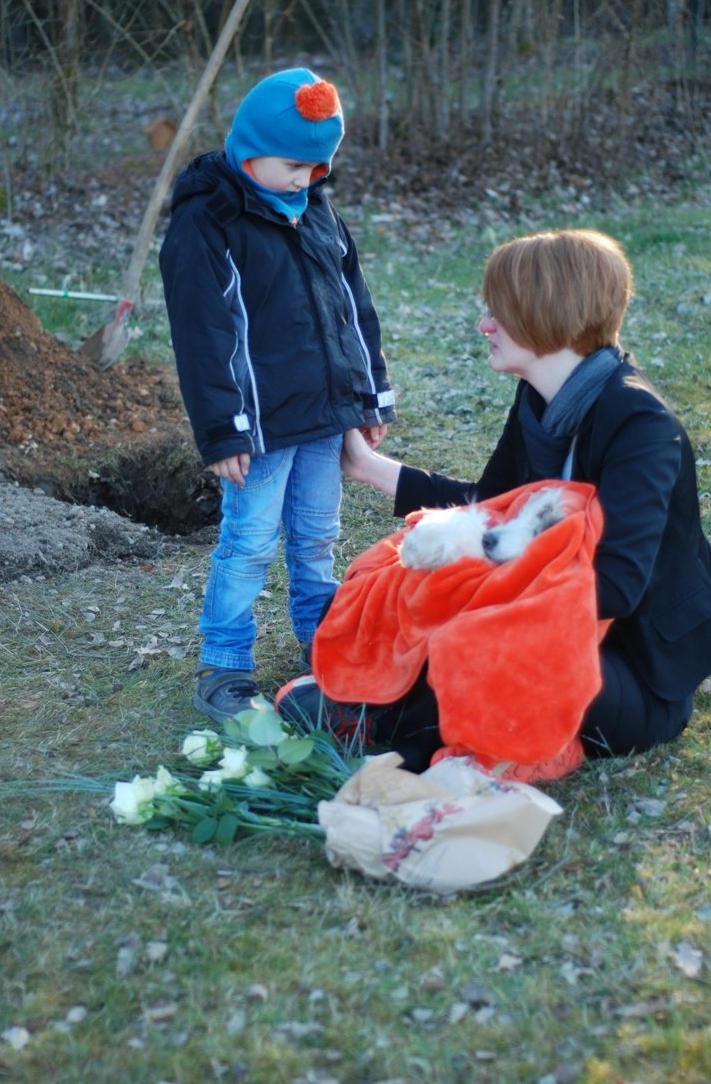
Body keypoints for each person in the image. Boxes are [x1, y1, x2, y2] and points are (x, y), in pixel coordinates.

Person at [281, 228, 711, 770]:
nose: (486, 324)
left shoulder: (641, 424)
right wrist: (371, 470)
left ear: (549, 311)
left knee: (473, 640)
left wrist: (488, 596)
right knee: (409, 570)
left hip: (629, 666)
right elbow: (489, 506)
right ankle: (374, 699)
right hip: (551, 623)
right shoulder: (538, 397)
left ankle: (391, 724)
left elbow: (618, 586)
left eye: (500, 311)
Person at [160, 67, 395, 721]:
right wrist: (223, 429)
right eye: (295, 164)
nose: (307, 179)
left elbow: (352, 307)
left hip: (322, 415)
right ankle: (225, 662)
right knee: (250, 540)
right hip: (258, 427)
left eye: (319, 168)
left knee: (318, 533)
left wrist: (368, 394)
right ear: (251, 146)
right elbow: (202, 333)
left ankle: (324, 644)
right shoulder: (208, 221)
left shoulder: (315, 211)